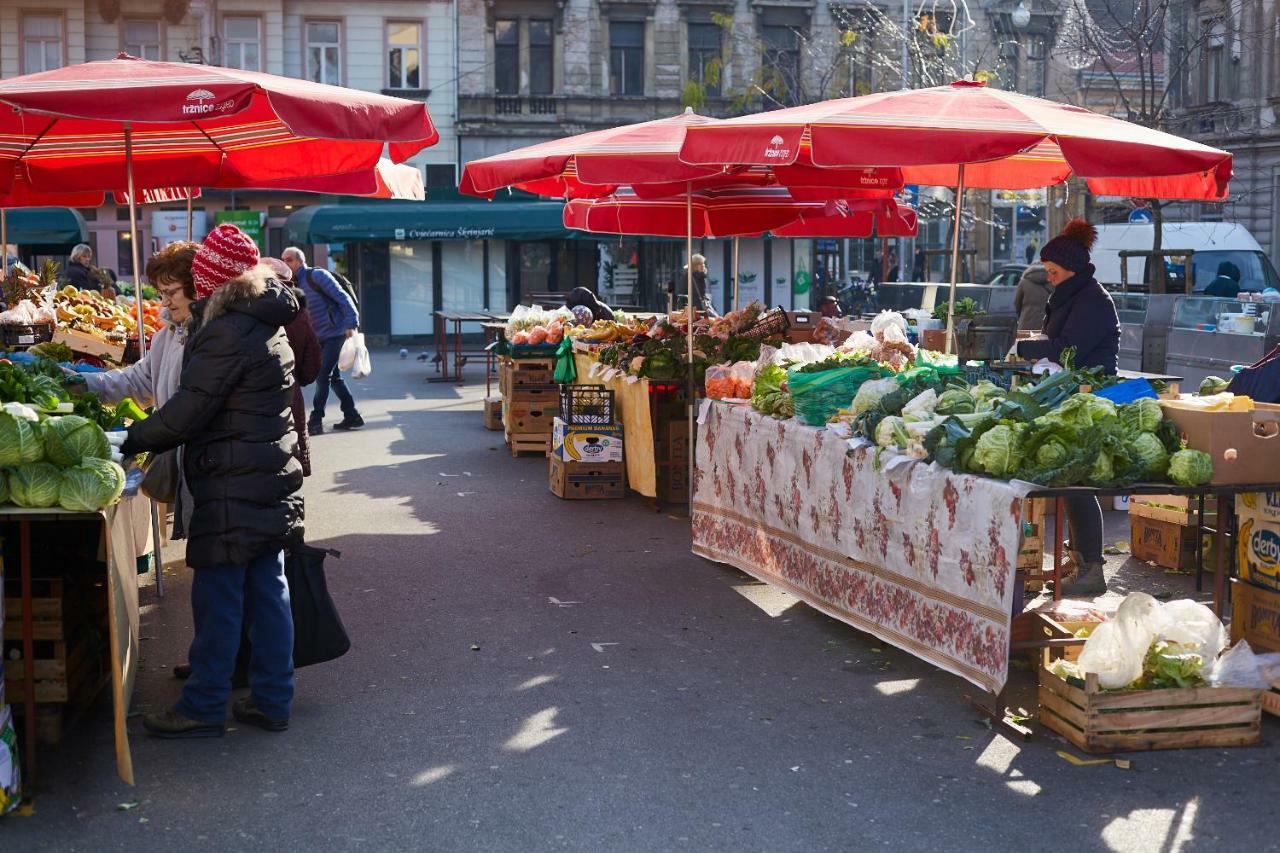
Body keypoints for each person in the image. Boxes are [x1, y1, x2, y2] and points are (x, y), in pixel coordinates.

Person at [123, 223, 303, 738]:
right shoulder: (266, 317)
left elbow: (187, 411)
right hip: (267, 476)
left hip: (232, 480)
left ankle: (203, 704)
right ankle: (272, 699)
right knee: (268, 591)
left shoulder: (226, 331)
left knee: (219, 597)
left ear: (214, 282)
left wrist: (131, 439)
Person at [1017, 218, 1121, 597]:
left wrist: (1025, 347)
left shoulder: (1092, 299)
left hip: (1091, 396)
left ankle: (1091, 568)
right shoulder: (1070, 295)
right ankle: (1080, 563)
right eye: (1047, 271)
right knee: (1070, 480)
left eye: (1053, 271)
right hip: (1071, 392)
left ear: (1071, 269)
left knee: (1078, 483)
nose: (1049, 278)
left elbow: (1067, 348)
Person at [71, 242, 198, 540]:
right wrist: (83, 382)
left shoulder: (208, 336)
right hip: (188, 462)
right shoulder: (167, 336)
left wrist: (129, 439)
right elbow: (138, 381)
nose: (165, 302)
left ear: (197, 286)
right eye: (161, 293)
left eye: (172, 292)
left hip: (210, 465)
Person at [282, 247, 362, 433]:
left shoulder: (317, 276)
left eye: (290, 260)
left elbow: (342, 298)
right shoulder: (291, 283)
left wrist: (351, 323)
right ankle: (352, 415)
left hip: (336, 332)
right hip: (318, 337)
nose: (286, 263)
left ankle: (316, 420)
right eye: (283, 260)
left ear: (300, 261)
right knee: (334, 378)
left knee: (322, 375)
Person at [263, 257, 324, 477]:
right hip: (291, 392)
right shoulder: (300, 313)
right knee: (292, 463)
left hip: (256, 399)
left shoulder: (248, 311)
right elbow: (313, 361)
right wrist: (299, 378)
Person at [1012, 262, 1051, 331]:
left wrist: (1021, 314)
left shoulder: (1023, 282)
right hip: (1046, 324)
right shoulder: (1052, 282)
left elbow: (1017, 303)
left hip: (1026, 323)